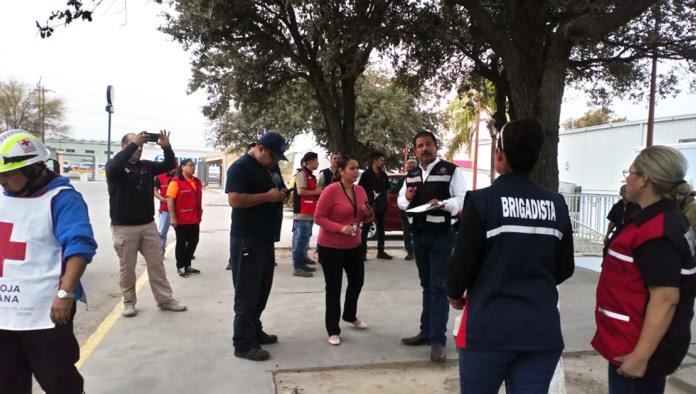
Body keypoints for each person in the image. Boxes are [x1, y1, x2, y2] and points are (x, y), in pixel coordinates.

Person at [446, 119, 575, 393]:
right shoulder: (557, 205)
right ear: (536, 157)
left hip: (487, 332)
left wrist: (456, 293)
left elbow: (460, 268)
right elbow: (565, 268)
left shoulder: (481, 202)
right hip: (540, 332)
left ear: (500, 155)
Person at [0, 129, 97, 394]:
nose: (2, 181)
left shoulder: (62, 199)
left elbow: (79, 246)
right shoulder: (3, 196)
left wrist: (65, 293)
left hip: (47, 312)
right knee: (7, 383)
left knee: (59, 382)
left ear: (33, 169)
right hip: (4, 314)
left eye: (8, 174)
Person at [592, 145, 696, 394]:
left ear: (644, 180)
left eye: (630, 172)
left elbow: (666, 298)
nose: (626, 178)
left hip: (638, 351)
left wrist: (640, 356)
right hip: (627, 340)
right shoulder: (654, 219)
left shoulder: (657, 232)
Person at [398, 130, 466, 362]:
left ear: (436, 147)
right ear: (415, 150)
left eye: (428, 144)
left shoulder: (451, 170)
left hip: (442, 236)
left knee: (439, 287)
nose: (423, 149)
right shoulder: (413, 173)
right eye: (419, 146)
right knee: (427, 285)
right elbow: (400, 201)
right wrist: (407, 196)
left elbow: (462, 199)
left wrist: (444, 204)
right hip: (419, 235)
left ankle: (438, 340)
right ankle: (426, 332)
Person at [106, 130, 187, 318]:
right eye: (135, 145)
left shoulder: (146, 166)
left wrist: (166, 146)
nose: (139, 149)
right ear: (124, 146)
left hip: (148, 224)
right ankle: (129, 302)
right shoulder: (116, 168)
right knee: (128, 268)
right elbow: (112, 166)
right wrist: (134, 143)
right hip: (124, 227)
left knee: (156, 263)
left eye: (141, 146)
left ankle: (165, 300)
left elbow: (169, 165)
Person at [226, 132, 289, 361]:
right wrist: (267, 197)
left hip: (265, 238)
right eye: (272, 156)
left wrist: (282, 194)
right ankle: (242, 343)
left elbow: (278, 188)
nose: (275, 162)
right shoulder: (240, 167)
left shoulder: (270, 167)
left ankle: (254, 329)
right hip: (247, 238)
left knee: (262, 288)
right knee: (247, 292)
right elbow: (234, 200)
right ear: (260, 148)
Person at [314, 156, 374, 345]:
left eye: (357, 168)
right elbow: (319, 217)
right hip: (330, 247)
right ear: (341, 171)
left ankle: (349, 314)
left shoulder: (361, 190)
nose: (356, 171)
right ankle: (333, 329)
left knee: (357, 281)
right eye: (352, 168)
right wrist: (340, 228)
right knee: (333, 288)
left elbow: (366, 219)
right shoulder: (331, 190)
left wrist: (367, 213)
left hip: (354, 245)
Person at [166, 159, 203, 278]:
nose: (193, 168)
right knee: (181, 243)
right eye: (190, 166)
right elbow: (170, 199)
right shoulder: (176, 182)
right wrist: (173, 217)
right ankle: (180, 266)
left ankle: (187, 265)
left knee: (194, 241)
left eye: (194, 166)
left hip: (194, 218)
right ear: (183, 167)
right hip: (181, 219)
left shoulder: (197, 182)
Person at [292, 152, 321, 277]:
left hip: (309, 213)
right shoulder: (302, 174)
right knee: (300, 240)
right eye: (316, 160)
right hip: (302, 214)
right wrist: (318, 191)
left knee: (305, 239)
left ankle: (302, 262)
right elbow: (300, 191)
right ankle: (298, 267)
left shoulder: (311, 176)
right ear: (309, 161)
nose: (318, 163)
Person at [359, 151, 392, 260]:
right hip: (369, 207)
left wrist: (387, 202)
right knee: (365, 230)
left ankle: (381, 252)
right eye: (381, 160)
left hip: (381, 206)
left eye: (384, 161)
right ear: (375, 160)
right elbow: (360, 189)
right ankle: (363, 253)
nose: (383, 163)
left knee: (381, 229)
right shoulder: (366, 175)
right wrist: (363, 204)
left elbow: (387, 189)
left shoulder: (384, 175)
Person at [154, 166, 177, 254]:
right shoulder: (159, 177)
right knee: (162, 232)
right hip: (165, 209)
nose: (174, 170)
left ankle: (185, 253)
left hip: (178, 209)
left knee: (182, 233)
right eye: (172, 167)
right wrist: (161, 199)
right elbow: (154, 191)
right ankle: (161, 251)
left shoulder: (179, 177)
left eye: (175, 167)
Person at [399, 158, 418, 260]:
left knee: (413, 231)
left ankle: (413, 251)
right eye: (408, 167)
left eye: (412, 167)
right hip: (405, 210)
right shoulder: (404, 179)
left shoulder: (420, 178)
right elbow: (396, 190)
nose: (409, 169)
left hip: (416, 210)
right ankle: (411, 252)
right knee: (407, 232)